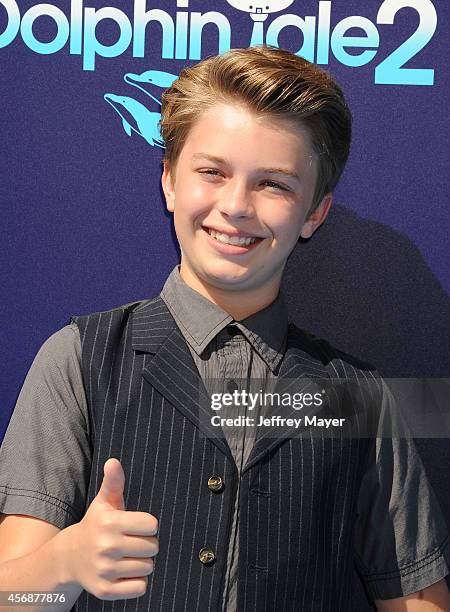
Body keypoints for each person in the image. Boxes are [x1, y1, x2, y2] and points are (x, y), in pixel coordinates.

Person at [0, 45, 449, 612]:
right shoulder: (78, 360)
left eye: (274, 184)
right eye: (212, 172)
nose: (236, 205)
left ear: (314, 213)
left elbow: (420, 601)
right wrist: (65, 562)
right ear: (168, 181)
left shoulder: (360, 397)